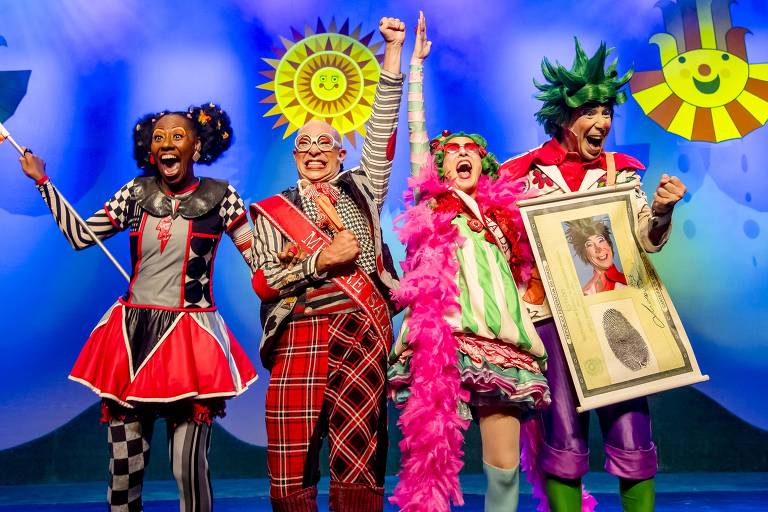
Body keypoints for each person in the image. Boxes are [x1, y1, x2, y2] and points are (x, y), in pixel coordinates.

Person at [19, 103, 257, 512]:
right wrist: (43, 182)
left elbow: (258, 257)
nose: (167, 144)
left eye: (177, 137)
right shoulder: (137, 193)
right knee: (124, 472)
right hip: (131, 340)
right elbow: (80, 235)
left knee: (189, 470)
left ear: (196, 148)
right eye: (159, 138)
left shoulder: (221, 197)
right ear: (151, 151)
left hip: (190, 342)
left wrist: (297, 267)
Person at [500, 39, 687, 512]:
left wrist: (662, 210)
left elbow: (644, 240)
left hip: (613, 310)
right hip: (550, 319)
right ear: (563, 118)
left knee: (630, 427)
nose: (601, 122)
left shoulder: (620, 175)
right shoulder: (521, 174)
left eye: (606, 112)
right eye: (589, 111)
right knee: (560, 432)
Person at [388, 13, 549, 512]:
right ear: (438, 164)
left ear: (484, 164)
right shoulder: (430, 206)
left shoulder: (506, 217)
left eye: (470, 150)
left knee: (503, 467)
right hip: (444, 344)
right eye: (451, 150)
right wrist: (416, 66)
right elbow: (416, 132)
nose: (461, 154)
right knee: (432, 462)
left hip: (501, 342)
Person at [249, 16, 405, 512]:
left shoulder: (365, 187)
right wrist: (319, 260)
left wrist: (393, 53)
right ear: (294, 155)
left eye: (325, 144)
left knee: (358, 451)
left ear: (342, 152)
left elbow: (382, 126)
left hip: (363, 330)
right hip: (301, 330)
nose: (314, 152)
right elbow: (266, 279)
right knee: (292, 454)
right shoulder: (275, 209)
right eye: (304, 145)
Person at [564, 217, 627, 295]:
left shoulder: (629, 282)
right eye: (589, 244)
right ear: (585, 254)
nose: (599, 249)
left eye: (601, 240)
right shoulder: (585, 292)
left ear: (609, 244)